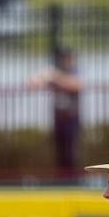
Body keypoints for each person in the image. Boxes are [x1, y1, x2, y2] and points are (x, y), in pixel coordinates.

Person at [27, 48, 83, 179]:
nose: (66, 61)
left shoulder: (74, 72)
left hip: (72, 117)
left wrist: (55, 76)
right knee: (60, 148)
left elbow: (76, 85)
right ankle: (63, 177)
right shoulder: (55, 73)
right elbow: (32, 83)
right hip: (59, 117)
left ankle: (73, 177)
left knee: (72, 150)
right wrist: (44, 76)